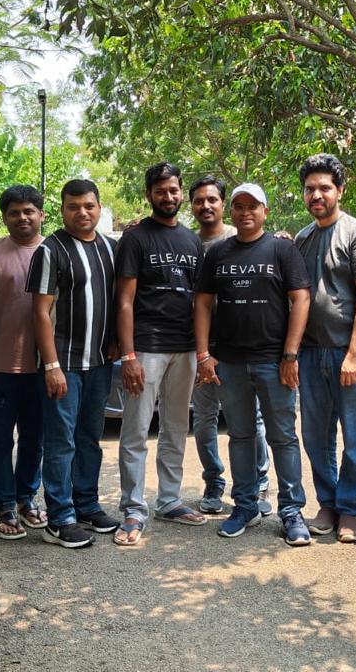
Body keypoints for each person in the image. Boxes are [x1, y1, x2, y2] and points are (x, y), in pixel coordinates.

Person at [195, 183, 313, 545]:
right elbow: (202, 303)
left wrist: (290, 355)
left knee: (283, 437)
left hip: (274, 363)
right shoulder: (218, 253)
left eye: (253, 206)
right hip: (230, 363)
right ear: (231, 211)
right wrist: (203, 355)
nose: (245, 212)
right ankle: (244, 507)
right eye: (239, 206)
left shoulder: (282, 249)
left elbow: (301, 299)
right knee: (241, 436)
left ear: (265, 211)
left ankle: (291, 512)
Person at [112, 163, 207, 545]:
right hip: (147, 347)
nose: (168, 197)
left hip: (185, 348)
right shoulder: (135, 239)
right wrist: (129, 356)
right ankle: (133, 508)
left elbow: (200, 301)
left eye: (173, 190)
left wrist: (202, 351)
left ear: (180, 192)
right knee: (136, 430)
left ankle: (169, 500)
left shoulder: (191, 241)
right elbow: (124, 301)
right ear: (149, 194)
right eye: (160, 191)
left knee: (175, 428)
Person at [27, 179, 120, 549]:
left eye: (89, 205)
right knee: (60, 441)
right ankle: (60, 518)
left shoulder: (110, 248)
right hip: (62, 364)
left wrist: (115, 341)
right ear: (62, 209)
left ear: (99, 208)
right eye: (73, 206)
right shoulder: (50, 250)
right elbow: (40, 312)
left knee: (89, 438)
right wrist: (50, 365)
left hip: (99, 363)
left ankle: (87, 505)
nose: (82, 212)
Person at [293, 153, 356, 543]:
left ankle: (350, 509)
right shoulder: (302, 238)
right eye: (310, 189)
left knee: (355, 438)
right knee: (316, 437)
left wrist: (355, 354)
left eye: (325, 187)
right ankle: (327, 504)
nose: (317, 195)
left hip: (349, 352)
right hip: (311, 353)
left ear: (340, 190)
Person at [188, 175, 272, 516]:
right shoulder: (188, 243)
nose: (206, 205)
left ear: (224, 204)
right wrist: (201, 352)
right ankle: (214, 480)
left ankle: (259, 482)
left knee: (252, 420)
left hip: (240, 348)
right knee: (203, 419)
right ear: (191, 206)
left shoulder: (242, 238)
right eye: (199, 200)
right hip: (201, 348)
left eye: (213, 199)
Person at [0, 184, 48, 540]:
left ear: (41, 214)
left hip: (44, 367)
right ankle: (4, 504)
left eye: (29, 211)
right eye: (14, 212)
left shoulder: (54, 251)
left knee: (35, 439)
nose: (22, 217)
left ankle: (26, 499)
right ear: (4, 217)